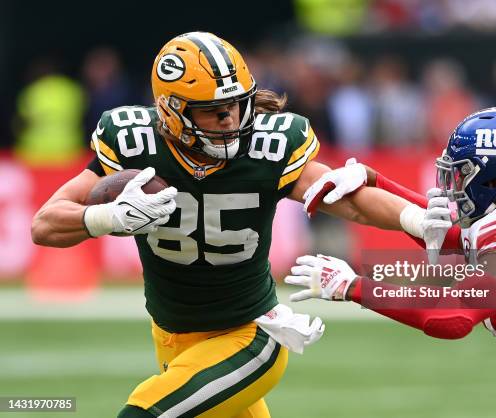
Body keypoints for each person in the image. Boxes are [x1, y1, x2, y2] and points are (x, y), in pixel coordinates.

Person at [30, 32, 410, 418]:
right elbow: (44, 225)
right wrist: (110, 216)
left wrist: (423, 221)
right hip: (172, 337)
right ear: (172, 111)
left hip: (249, 336)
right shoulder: (134, 144)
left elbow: (356, 204)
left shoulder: (268, 147)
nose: (230, 119)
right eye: (213, 110)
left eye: (236, 105)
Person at [288, 107, 496, 417]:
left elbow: (451, 317)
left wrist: (352, 286)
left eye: (462, 172)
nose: (452, 184)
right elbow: (452, 238)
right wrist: (372, 178)